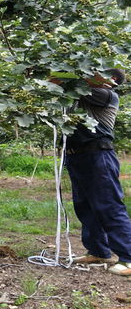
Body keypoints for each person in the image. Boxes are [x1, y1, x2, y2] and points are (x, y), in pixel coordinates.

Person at [59, 69, 131, 276]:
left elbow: (72, 84)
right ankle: (98, 251)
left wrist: (62, 73)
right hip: (77, 156)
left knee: (108, 205)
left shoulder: (106, 95)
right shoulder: (81, 96)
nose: (92, 73)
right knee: (84, 205)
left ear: (112, 80)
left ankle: (128, 257)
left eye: (98, 72)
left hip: (98, 155)